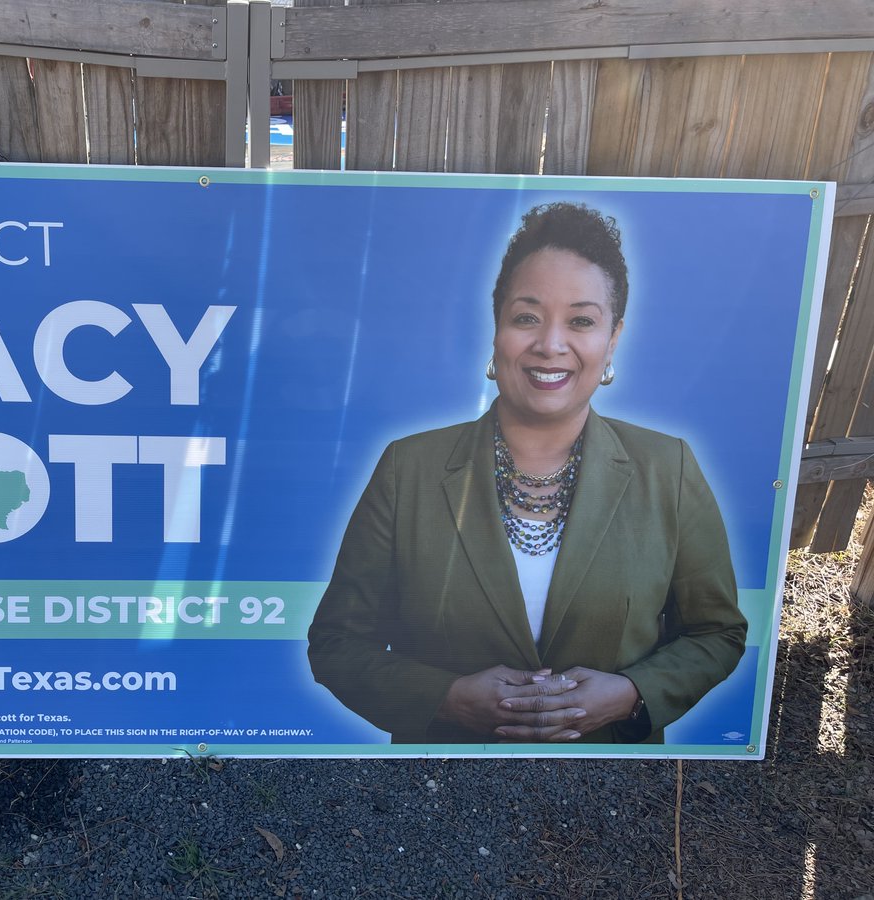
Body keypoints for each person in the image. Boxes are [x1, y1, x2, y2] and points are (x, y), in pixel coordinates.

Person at [307, 202, 747, 744]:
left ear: (613, 338)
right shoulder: (409, 468)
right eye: (527, 317)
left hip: (616, 779)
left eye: (581, 321)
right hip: (441, 778)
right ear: (497, 329)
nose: (551, 344)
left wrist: (632, 694)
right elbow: (338, 645)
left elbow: (716, 633)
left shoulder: (667, 467)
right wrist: (446, 699)